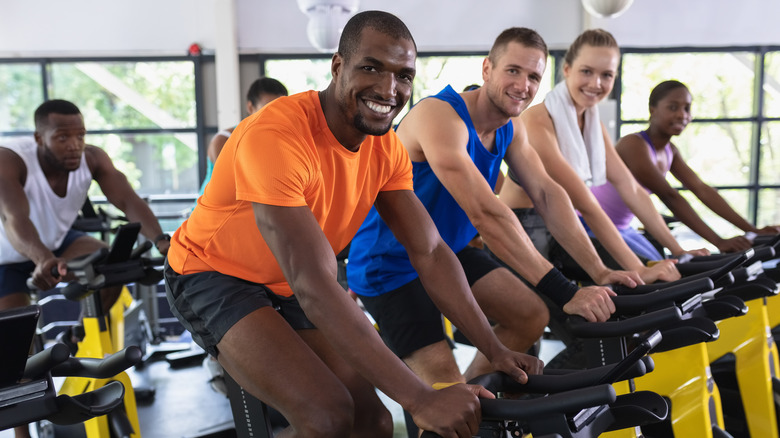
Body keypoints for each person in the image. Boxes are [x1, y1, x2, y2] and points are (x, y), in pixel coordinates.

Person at [164, 11, 540, 438]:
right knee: (327, 416)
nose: (389, 89)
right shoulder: (277, 134)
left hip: (284, 283)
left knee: (374, 422)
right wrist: (419, 398)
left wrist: (494, 348)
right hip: (212, 274)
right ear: (338, 67)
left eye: (404, 76)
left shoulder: (385, 147)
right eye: (371, 68)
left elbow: (431, 251)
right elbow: (314, 284)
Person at [347, 27, 656, 389]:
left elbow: (547, 194)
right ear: (487, 69)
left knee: (529, 315)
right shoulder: (439, 116)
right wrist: (567, 292)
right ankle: (457, 402)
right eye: (513, 70)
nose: (523, 85)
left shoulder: (511, 129)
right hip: (391, 265)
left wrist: (600, 271)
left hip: (449, 251)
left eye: (533, 76)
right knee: (444, 393)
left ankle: (477, 404)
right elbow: (486, 213)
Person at [0, 99, 170, 438]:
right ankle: (22, 434)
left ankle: (75, 334)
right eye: (62, 137)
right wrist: (42, 259)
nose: (74, 144)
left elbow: (129, 201)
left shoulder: (91, 159)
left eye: (80, 135)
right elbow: (14, 220)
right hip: (8, 254)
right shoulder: (10, 159)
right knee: (16, 353)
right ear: (39, 138)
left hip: (59, 242)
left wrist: (162, 241)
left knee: (114, 263)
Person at [498, 29, 708, 274]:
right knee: (563, 306)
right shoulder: (537, 121)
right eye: (586, 71)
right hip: (521, 227)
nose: (596, 84)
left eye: (606, 75)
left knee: (652, 277)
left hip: (563, 224)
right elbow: (585, 203)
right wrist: (639, 270)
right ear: (567, 69)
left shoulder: (592, 126)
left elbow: (632, 189)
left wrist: (678, 251)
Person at [605, 80, 780, 253]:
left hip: (622, 227)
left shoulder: (670, 151)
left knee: (669, 269)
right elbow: (669, 197)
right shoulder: (633, 144)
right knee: (663, 275)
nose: (682, 115)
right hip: (595, 226)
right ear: (653, 110)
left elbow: (701, 189)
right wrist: (719, 242)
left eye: (687, 108)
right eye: (673, 107)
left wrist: (752, 230)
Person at [198, 77, 288, 196]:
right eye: (268, 109)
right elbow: (231, 188)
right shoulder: (224, 140)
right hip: (209, 212)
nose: (275, 116)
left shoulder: (279, 141)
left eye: (280, 109)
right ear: (250, 107)